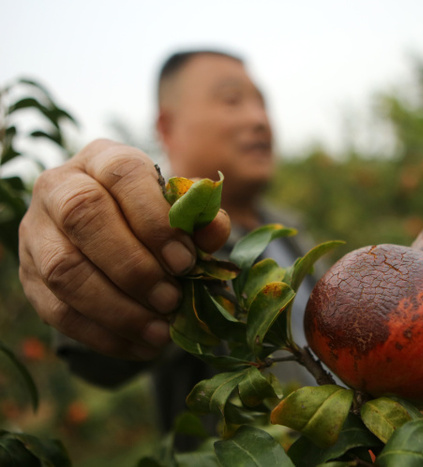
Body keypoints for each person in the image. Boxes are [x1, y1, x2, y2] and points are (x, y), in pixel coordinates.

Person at [18, 50, 316, 447]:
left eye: (261, 102)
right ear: (167, 126)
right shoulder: (164, 236)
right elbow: (100, 349)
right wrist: (66, 227)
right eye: (232, 100)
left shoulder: (292, 230)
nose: (258, 119)